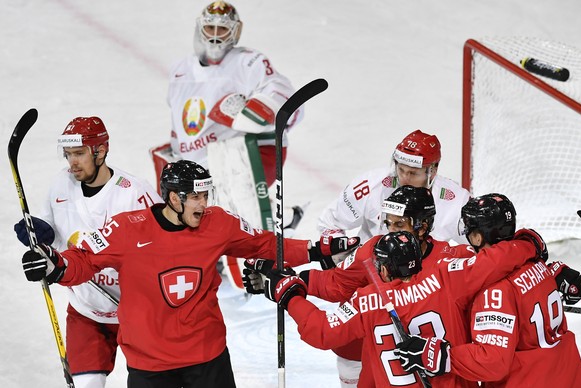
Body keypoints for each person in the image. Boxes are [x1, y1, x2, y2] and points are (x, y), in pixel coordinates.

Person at [20, 160, 357, 388]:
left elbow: (266, 245)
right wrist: (54, 264)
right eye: (194, 195)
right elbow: (81, 261)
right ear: (171, 198)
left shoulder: (218, 223)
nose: (202, 203)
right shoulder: (127, 229)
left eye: (205, 194)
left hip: (207, 359)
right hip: (149, 367)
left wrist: (317, 249)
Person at [242, 186, 475, 386]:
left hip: (438, 374)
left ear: (422, 227)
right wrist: (292, 279)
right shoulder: (452, 261)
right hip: (397, 371)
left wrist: (288, 292)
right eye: (388, 223)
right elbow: (337, 283)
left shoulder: (453, 261)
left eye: (399, 224)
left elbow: (323, 329)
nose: (390, 232)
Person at [260, 227, 546, 387]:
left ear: (384, 269)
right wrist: (528, 245)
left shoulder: (367, 300)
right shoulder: (447, 277)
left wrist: (290, 296)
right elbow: (493, 261)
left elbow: (320, 331)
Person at [151, 1, 306, 288]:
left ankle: (258, 264)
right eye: (209, 27)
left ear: (235, 32)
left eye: (222, 29)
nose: (214, 35)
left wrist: (252, 113)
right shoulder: (180, 70)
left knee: (232, 211)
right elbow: (179, 120)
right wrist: (175, 148)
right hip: (199, 159)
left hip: (245, 152)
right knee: (185, 211)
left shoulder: (248, 61)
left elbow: (282, 94)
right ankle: (209, 258)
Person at [14, 116, 162, 388]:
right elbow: (54, 231)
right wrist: (39, 232)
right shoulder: (61, 183)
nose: (72, 162)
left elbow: (166, 242)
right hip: (86, 310)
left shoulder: (134, 192)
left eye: (80, 153)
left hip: (138, 312)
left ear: (101, 151)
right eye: (68, 154)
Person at [396, 193, 581, 386]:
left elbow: (493, 361)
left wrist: (439, 355)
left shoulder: (494, 291)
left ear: (477, 237)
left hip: (529, 380)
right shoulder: (536, 262)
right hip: (569, 374)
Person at [318, 129, 471, 245]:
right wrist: (347, 262)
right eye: (401, 169)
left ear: (433, 171)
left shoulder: (456, 201)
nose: (404, 179)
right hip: (370, 274)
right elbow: (330, 223)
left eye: (413, 173)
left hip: (423, 282)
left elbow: (481, 246)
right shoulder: (371, 184)